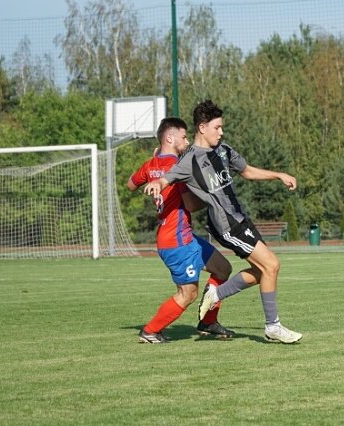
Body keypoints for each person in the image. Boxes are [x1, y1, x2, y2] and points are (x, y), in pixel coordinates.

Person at [143, 100, 302, 344]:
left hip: (241, 218)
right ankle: (273, 326)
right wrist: (157, 183)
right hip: (226, 225)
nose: (221, 132)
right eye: (217, 127)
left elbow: (247, 171)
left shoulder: (224, 150)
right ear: (203, 127)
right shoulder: (189, 160)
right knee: (272, 265)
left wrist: (278, 175)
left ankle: (217, 294)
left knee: (263, 272)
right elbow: (167, 179)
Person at [127, 117, 235, 343]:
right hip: (176, 242)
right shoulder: (177, 170)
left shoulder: (151, 165)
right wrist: (212, 196)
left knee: (223, 269)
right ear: (169, 138)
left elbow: (130, 184)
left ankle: (208, 321)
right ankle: (150, 331)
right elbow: (192, 205)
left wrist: (153, 170)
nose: (187, 142)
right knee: (188, 294)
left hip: (184, 237)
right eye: (184, 137)